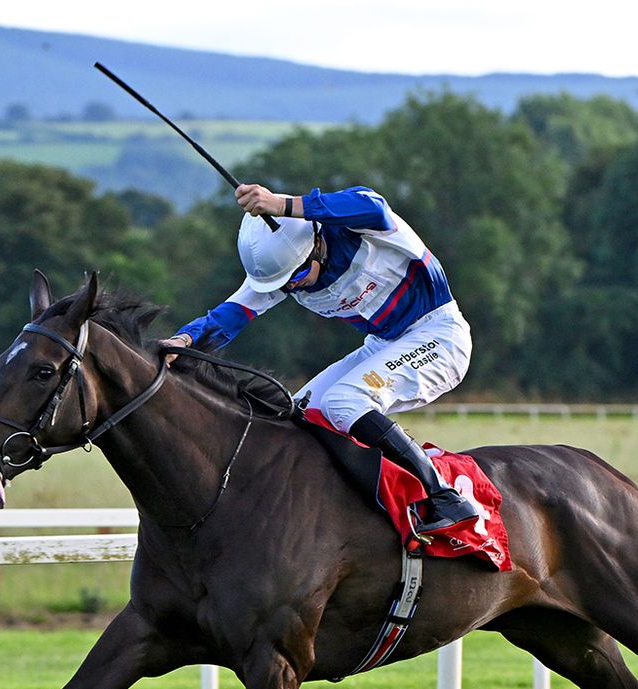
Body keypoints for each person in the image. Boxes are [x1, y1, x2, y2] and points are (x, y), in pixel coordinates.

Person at [158, 182, 477, 536]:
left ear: (317, 245)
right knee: (298, 414)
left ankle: (445, 498)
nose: (292, 287)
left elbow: (370, 203)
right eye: (282, 284)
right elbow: (228, 315)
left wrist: (282, 204)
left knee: (344, 402)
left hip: (439, 334)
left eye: (294, 277)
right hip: (385, 344)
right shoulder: (284, 272)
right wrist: (183, 340)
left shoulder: (364, 228)